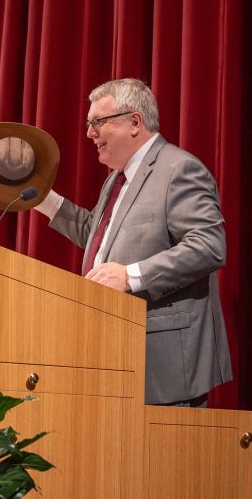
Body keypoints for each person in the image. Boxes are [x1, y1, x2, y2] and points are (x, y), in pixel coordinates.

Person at [33, 78, 232, 406]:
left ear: (134, 122)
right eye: (88, 124)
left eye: (97, 122)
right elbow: (96, 238)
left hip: (163, 362)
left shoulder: (178, 169)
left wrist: (130, 276)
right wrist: (43, 198)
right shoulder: (116, 179)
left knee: (163, 458)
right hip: (114, 352)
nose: (89, 134)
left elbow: (208, 245)